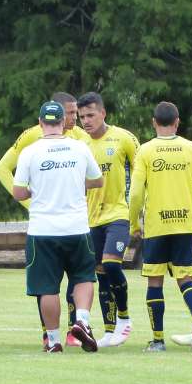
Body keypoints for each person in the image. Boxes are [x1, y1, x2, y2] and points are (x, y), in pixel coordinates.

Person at [0, 91, 90, 349]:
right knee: (71, 279)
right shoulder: (30, 138)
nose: (75, 118)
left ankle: (69, 331)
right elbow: (2, 169)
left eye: (76, 112)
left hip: (54, 225)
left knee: (59, 281)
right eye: (70, 113)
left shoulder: (80, 138)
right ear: (58, 115)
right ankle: (54, 331)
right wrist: (30, 204)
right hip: (67, 222)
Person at [12, 101, 103, 353]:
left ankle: (53, 339)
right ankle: (82, 320)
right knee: (84, 276)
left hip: (43, 230)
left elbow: (18, 192)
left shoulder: (30, 152)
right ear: (63, 122)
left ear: (40, 123)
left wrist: (37, 188)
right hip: (76, 226)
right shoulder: (79, 147)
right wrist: (74, 181)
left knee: (47, 287)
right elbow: (98, 180)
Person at [127, 102, 192, 352]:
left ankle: (158, 340)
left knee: (155, 282)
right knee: (186, 278)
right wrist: (183, 182)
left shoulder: (146, 150)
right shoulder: (191, 148)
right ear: (177, 123)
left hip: (157, 226)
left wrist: (133, 223)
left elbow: (135, 194)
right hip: (184, 224)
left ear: (154, 122)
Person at [76, 92, 139, 347]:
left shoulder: (124, 138)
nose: (86, 121)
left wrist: (140, 213)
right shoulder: (81, 145)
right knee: (100, 274)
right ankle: (110, 330)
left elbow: (141, 173)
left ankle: (124, 319)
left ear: (103, 113)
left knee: (112, 264)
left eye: (90, 115)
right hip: (92, 218)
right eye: (82, 117)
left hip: (119, 213)